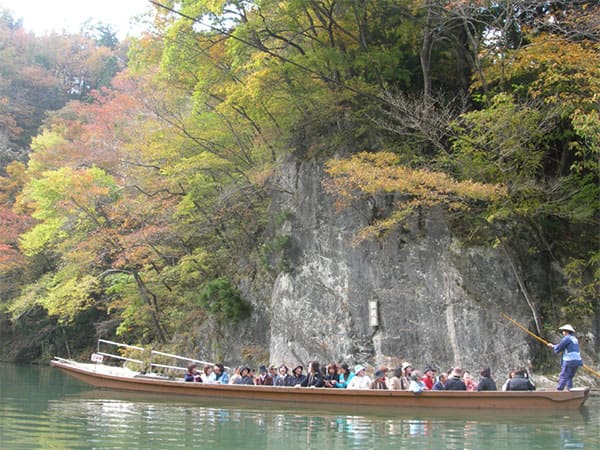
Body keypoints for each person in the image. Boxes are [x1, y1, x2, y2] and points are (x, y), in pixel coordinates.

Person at [547, 324, 583, 391]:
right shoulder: (574, 339)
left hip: (569, 360)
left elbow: (559, 347)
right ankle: (570, 389)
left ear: (566, 332)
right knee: (569, 377)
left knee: (564, 376)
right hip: (577, 360)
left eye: (563, 331)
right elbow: (562, 346)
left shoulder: (566, 338)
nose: (563, 332)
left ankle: (559, 390)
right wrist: (554, 346)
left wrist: (552, 346)